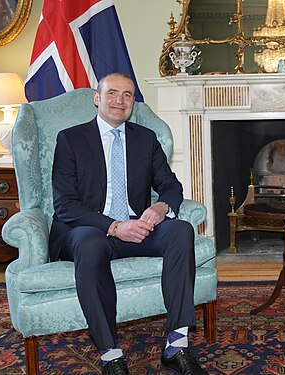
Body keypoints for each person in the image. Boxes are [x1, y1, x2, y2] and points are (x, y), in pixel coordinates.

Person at [49, 72, 208, 375]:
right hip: (89, 229)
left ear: (133, 102)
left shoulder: (144, 139)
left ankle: (177, 345)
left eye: (127, 95)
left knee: (180, 230)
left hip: (136, 228)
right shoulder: (71, 139)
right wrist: (112, 226)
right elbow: (65, 205)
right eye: (112, 93)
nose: (119, 101)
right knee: (89, 243)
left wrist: (161, 207)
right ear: (97, 98)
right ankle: (110, 354)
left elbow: (171, 186)